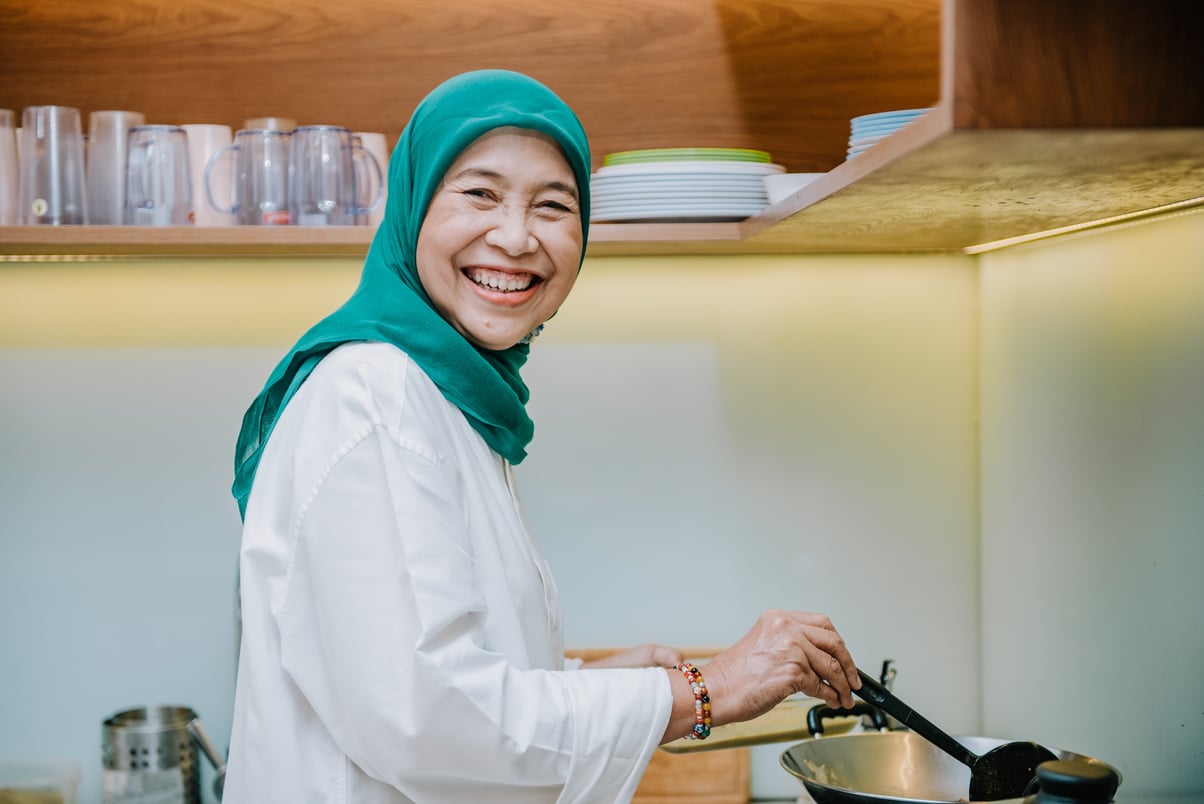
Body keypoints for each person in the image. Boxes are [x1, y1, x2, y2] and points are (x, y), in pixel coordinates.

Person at [224, 69, 861, 803]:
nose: (517, 237)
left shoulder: (449, 394)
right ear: (412, 208)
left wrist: (583, 688)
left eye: (553, 205)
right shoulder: (373, 393)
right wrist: (706, 689)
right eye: (479, 193)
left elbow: (432, 676)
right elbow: (424, 717)